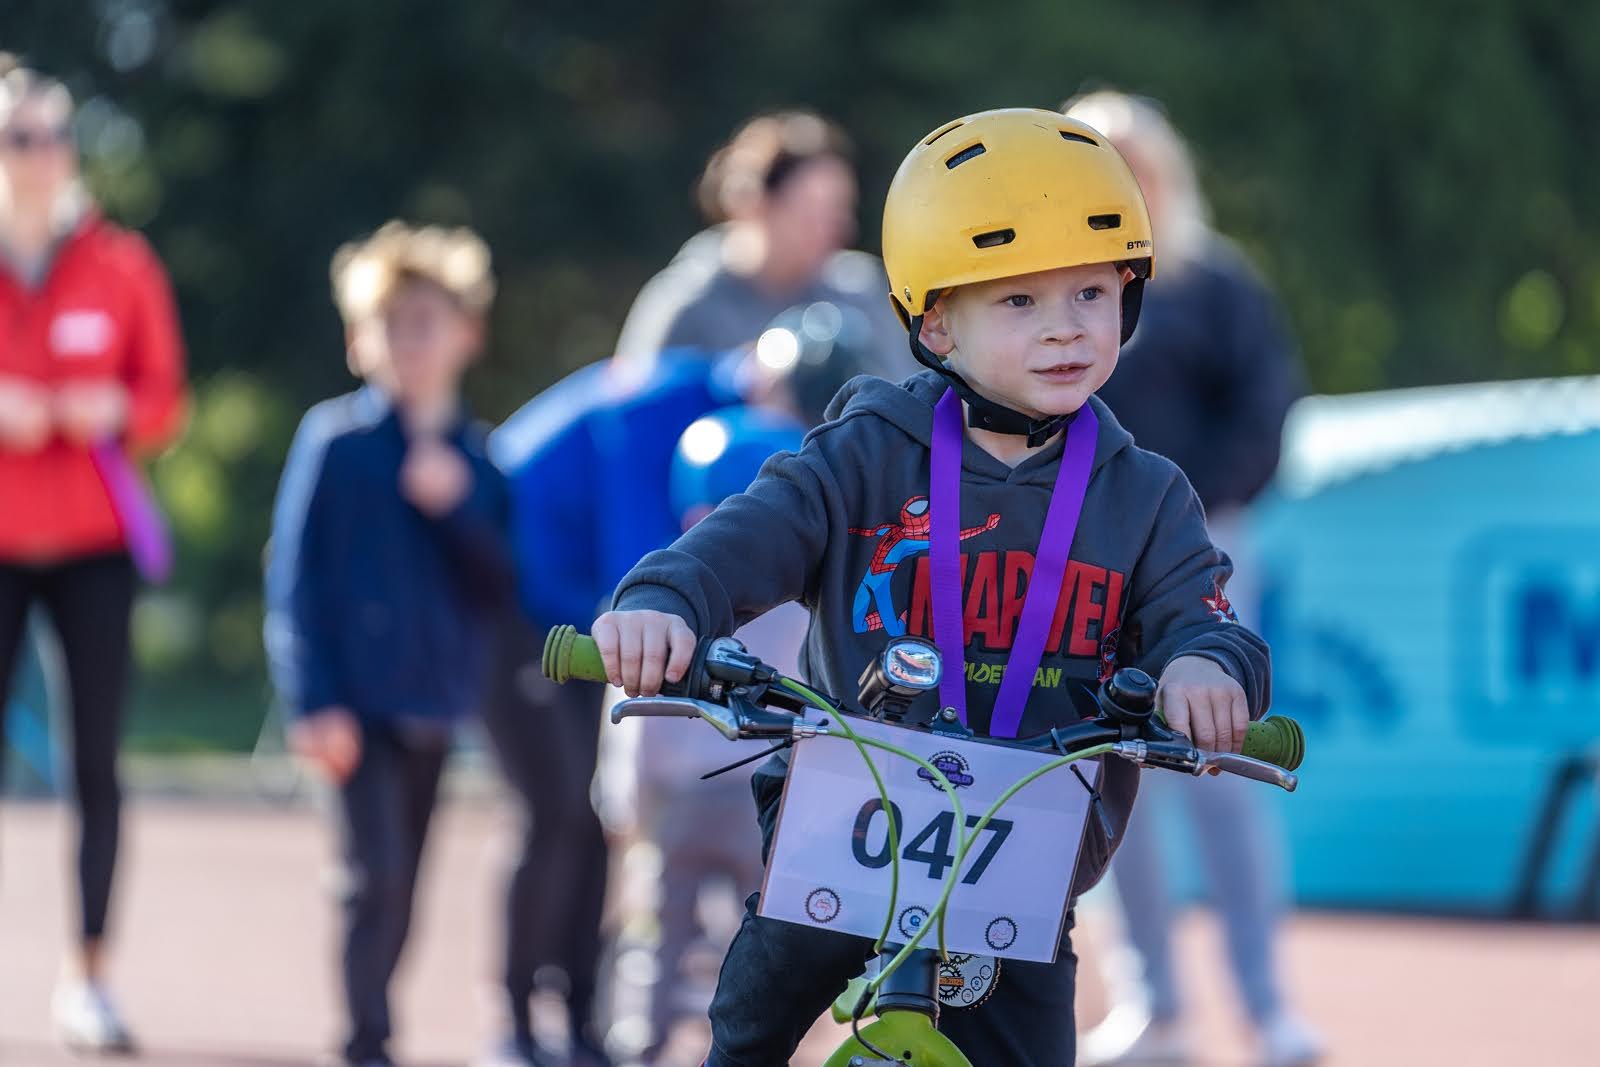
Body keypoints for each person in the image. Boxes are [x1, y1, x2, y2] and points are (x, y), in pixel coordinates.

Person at [592, 108, 1272, 1067]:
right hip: (842, 833)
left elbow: (1204, 615)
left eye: (1090, 290)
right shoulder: (863, 454)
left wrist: (1206, 665)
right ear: (937, 319)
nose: (1066, 327)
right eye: (1020, 300)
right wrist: (666, 600)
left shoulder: (1145, 495)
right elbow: (744, 537)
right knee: (747, 1029)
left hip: (1022, 860)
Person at [486, 304, 873, 1066]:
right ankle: (526, 1025)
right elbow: (646, 573)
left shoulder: (726, 429)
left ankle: (596, 1027)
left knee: (631, 869)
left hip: (582, 614)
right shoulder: (670, 410)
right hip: (516, 595)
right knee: (560, 819)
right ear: (770, 384)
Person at [1063, 90, 1323, 1067]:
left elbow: (1266, 411)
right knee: (1115, 775)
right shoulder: (1059, 290)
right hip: (1081, 562)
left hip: (1203, 549)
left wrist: (1182, 513)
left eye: (1135, 165)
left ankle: (1266, 1006)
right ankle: (1154, 1006)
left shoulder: (1216, 284)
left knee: (1221, 769)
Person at [264, 221, 511, 1067]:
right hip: (353, 700)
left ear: (466, 334)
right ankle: (366, 1040)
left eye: (426, 323)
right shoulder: (333, 443)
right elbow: (294, 581)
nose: (408, 343)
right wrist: (312, 701)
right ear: (357, 340)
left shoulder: (480, 461)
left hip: (432, 699)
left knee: (406, 884)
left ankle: (375, 1025)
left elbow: (500, 584)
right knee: (371, 876)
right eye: (390, 325)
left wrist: (457, 508)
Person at [0, 56, 187, 1053]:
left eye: (55, 135)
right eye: (19, 136)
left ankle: (90, 974)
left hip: (94, 549)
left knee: (96, 763)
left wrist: (114, 406)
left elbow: (165, 399)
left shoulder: (121, 263)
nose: (42, 154)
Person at [612, 111, 909, 379]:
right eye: (814, 211)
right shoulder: (688, 305)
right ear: (757, 203)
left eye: (842, 209)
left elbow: (900, 395)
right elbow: (637, 406)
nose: (841, 228)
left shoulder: (860, 293)